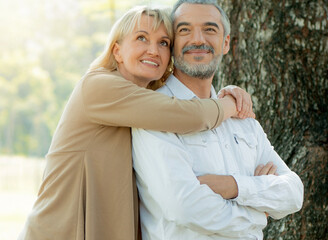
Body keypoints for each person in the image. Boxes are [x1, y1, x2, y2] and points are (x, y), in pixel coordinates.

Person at [18, 5, 254, 240]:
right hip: (62, 232)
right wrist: (232, 103)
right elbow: (192, 115)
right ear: (117, 51)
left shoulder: (147, 101)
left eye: (163, 43)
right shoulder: (98, 86)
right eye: (142, 38)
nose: (154, 50)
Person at [131, 1, 304, 239]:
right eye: (184, 30)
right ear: (172, 44)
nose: (197, 39)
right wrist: (256, 215)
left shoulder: (240, 116)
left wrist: (233, 186)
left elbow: (293, 193)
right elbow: (185, 207)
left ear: (225, 43)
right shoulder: (153, 113)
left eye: (210, 29)